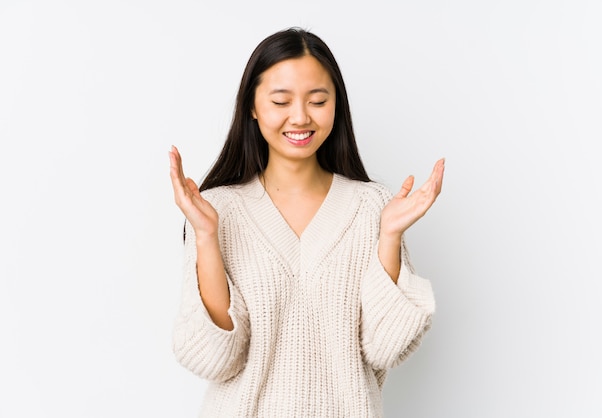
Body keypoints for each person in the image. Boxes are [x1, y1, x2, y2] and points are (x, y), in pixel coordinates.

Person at [169, 27, 445, 418]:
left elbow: (384, 349)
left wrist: (389, 235)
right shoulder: (216, 211)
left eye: (318, 100)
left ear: (337, 105)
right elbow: (216, 359)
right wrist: (207, 236)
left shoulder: (374, 208)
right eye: (280, 101)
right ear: (252, 105)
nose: (300, 117)